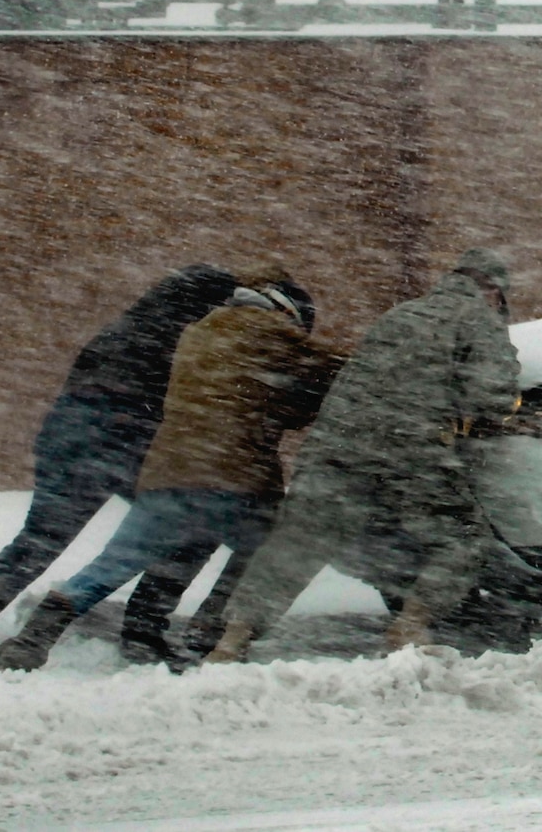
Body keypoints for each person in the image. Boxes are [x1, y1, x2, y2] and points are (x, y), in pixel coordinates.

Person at [0, 273, 343, 672]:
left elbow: (246, 397)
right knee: (268, 551)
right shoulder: (266, 332)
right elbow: (329, 367)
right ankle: (207, 634)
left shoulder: (202, 331)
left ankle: (35, 639)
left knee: (121, 562)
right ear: (286, 310)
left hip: (170, 470)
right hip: (233, 476)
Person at [204, 249, 522, 663]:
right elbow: (492, 394)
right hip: (408, 444)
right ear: (493, 291)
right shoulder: (478, 319)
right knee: (460, 537)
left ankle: (232, 640)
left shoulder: (401, 314)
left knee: (297, 544)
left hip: (336, 442)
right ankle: (411, 625)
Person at [0, 263, 242, 646]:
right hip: (122, 448)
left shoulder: (130, 326)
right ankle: (143, 631)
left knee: (38, 541)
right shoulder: (181, 340)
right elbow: (168, 407)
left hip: (68, 443)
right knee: (191, 527)